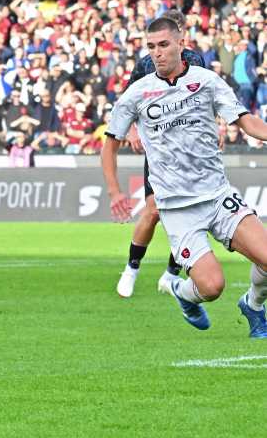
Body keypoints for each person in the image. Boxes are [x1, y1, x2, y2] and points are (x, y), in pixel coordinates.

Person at [102, 17, 267, 338]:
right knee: (212, 286)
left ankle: (255, 305)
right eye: (151, 47)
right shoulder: (136, 93)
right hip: (178, 210)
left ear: (181, 42)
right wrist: (114, 192)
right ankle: (182, 291)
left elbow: (247, 122)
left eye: (164, 44)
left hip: (218, 196)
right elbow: (109, 147)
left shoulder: (208, 80)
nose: (157, 53)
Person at [115, 9, 206, 298]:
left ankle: (171, 274)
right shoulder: (144, 65)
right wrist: (130, 130)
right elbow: (127, 101)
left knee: (188, 216)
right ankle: (131, 269)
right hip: (158, 151)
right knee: (153, 211)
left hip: (190, 154)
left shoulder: (196, 61)